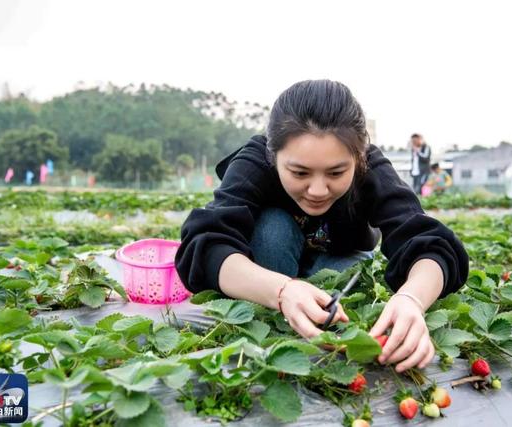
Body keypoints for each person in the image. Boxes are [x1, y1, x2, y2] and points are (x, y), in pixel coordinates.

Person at [175, 80, 468, 373]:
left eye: (336, 172)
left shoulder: (372, 169)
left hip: (339, 256)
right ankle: (276, 310)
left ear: (358, 158)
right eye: (299, 172)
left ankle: (302, 306)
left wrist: (411, 298)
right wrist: (281, 291)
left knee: (346, 280)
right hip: (269, 267)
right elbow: (205, 245)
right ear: (273, 155)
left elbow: (429, 242)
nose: (317, 190)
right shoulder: (254, 161)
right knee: (271, 230)